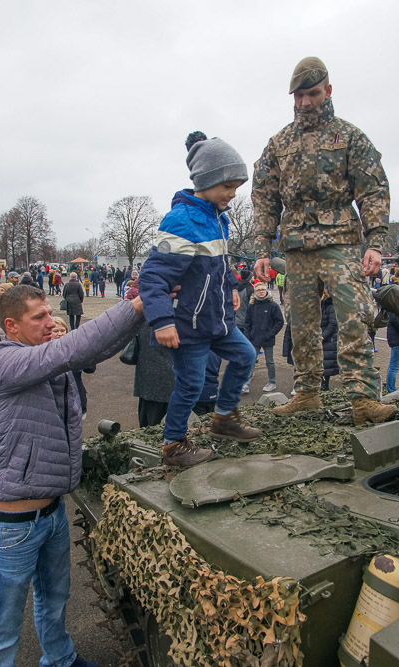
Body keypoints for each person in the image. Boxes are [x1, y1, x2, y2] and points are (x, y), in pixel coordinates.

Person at [0, 285, 142, 667]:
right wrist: (136, 304)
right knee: (2, 624)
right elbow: (71, 350)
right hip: (9, 527)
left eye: (51, 313)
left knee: (54, 602)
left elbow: (92, 350)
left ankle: (60, 659)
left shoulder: (41, 358)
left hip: (50, 515)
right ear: (11, 325)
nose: (51, 323)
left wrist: (143, 312)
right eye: (40, 317)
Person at [252, 56, 396, 426]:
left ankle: (363, 397)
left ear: (328, 91)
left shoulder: (349, 138)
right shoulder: (279, 143)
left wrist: (377, 242)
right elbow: (265, 196)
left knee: (353, 317)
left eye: (312, 94)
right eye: (299, 96)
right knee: (301, 324)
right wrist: (262, 249)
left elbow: (373, 190)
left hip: (340, 243)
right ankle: (307, 394)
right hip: (296, 247)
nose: (305, 103)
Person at [138, 131, 261, 467]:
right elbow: (153, 276)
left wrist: (233, 288)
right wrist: (162, 320)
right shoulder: (183, 220)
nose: (232, 195)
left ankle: (223, 419)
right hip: (188, 325)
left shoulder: (218, 218)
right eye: (228, 187)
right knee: (190, 386)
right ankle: (174, 444)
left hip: (217, 321)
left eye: (237, 188)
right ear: (206, 181)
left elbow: (216, 266)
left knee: (245, 356)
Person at [243, 282, 284, 393]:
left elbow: (279, 322)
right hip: (254, 338)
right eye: (258, 290)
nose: (261, 291)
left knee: (269, 361)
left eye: (263, 289)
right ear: (255, 292)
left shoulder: (273, 305)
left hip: (267, 338)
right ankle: (246, 383)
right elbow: (247, 322)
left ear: (266, 290)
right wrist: (248, 336)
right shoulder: (252, 305)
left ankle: (272, 382)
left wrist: (270, 334)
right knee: (250, 361)